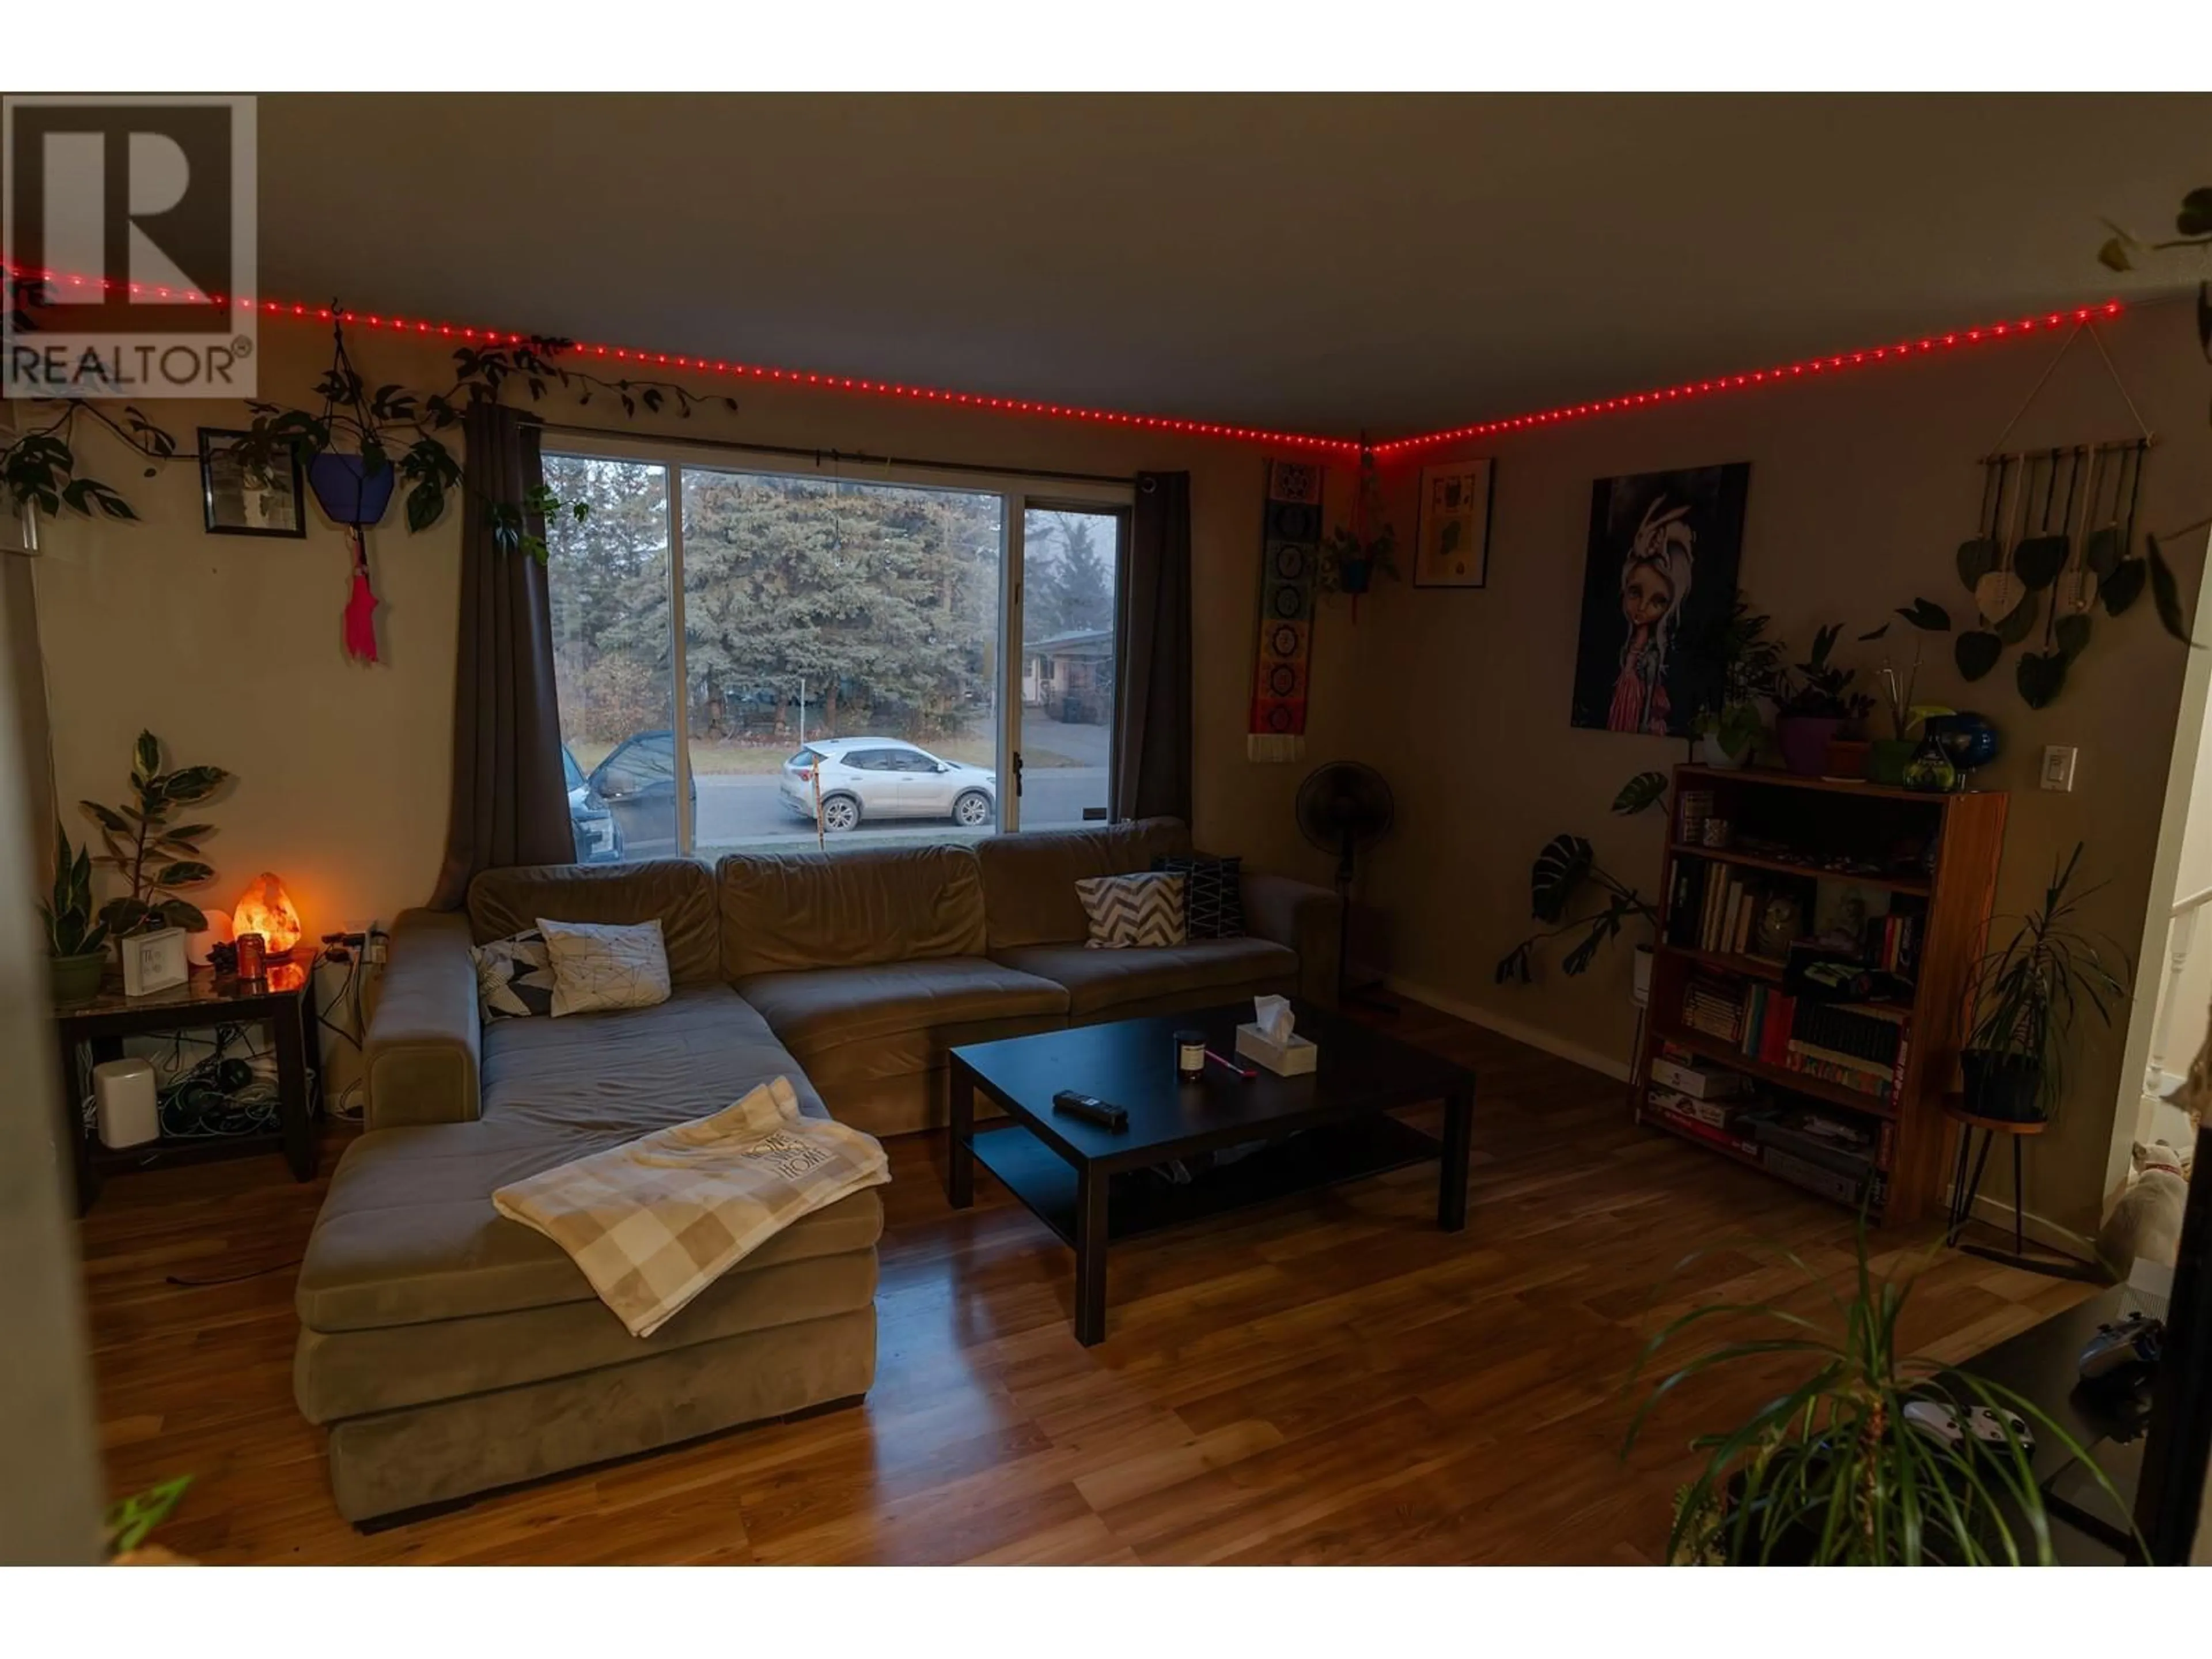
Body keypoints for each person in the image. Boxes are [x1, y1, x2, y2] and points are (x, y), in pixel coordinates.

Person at [1607, 498, 1696, 735]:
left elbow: (1648, 687)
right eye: (1635, 593)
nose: (1642, 607)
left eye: (1658, 601)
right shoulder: (1630, 645)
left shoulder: (1653, 653)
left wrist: (1644, 723)